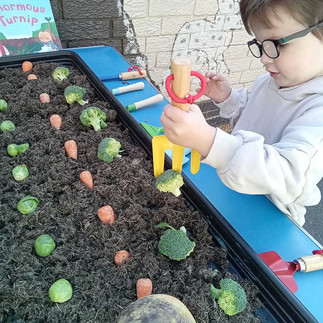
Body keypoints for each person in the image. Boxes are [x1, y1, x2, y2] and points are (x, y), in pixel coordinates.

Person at [160, 0, 323, 226]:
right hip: (232, 188)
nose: (265, 58)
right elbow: (252, 121)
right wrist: (228, 98)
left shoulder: (318, 111)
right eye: (260, 43)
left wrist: (208, 140)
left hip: (270, 215)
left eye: (277, 43)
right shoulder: (268, 82)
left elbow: (288, 174)